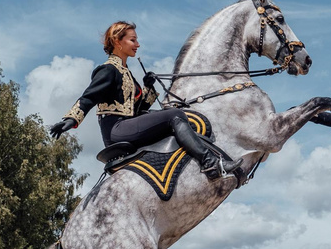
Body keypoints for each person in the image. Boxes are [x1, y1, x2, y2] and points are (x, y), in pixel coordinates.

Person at [49, 21, 242, 180]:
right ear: (117, 41)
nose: (137, 44)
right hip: (116, 130)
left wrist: (148, 87)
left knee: (178, 114)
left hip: (126, 124)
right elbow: (89, 97)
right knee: (174, 115)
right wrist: (71, 119)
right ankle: (210, 164)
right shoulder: (108, 70)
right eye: (133, 40)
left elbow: (137, 110)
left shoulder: (127, 73)